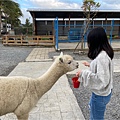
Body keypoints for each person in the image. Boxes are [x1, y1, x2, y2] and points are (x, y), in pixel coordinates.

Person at [76, 27, 114, 120]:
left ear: (95, 42)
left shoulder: (102, 57)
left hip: (100, 96)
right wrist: (90, 65)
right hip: (104, 93)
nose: (88, 44)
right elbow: (104, 71)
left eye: (89, 42)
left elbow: (102, 80)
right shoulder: (106, 53)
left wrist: (83, 73)